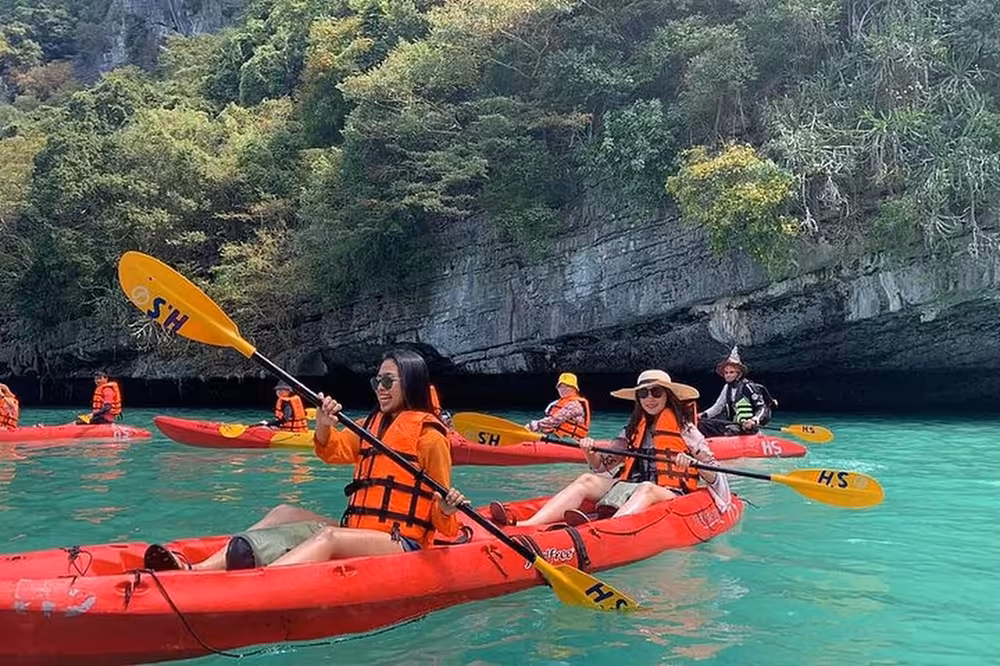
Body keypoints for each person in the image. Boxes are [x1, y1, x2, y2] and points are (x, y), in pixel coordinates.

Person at [143, 348, 466, 571]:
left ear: (410, 382)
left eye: (387, 382)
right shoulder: (371, 426)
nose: (379, 388)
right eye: (376, 381)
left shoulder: (429, 437)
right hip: (359, 527)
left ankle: (259, 584)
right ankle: (198, 569)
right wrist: (324, 423)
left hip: (402, 541)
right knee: (285, 511)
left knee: (328, 536)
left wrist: (448, 508)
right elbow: (331, 452)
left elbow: (444, 523)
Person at [490, 370, 730, 527]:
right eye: (644, 393)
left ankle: (607, 530)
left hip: (669, 492)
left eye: (656, 392)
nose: (650, 398)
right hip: (632, 486)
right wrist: (589, 450)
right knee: (585, 480)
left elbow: (714, 473)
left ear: (667, 396)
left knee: (646, 488)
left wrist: (692, 463)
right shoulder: (632, 429)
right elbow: (600, 467)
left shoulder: (686, 429)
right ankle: (528, 524)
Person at [697, 346, 773, 437]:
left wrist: (754, 420)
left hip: (748, 428)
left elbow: (762, 408)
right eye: (726, 373)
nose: (728, 375)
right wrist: (702, 415)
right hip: (733, 424)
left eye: (731, 372)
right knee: (701, 425)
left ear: (739, 374)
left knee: (731, 430)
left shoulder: (748, 387)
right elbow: (717, 407)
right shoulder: (727, 388)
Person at [526, 372, 590, 439]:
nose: (563, 390)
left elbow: (555, 420)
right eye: (561, 387)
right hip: (558, 437)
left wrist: (533, 425)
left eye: (567, 387)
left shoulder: (575, 405)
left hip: (570, 440)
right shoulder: (557, 402)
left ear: (574, 389)